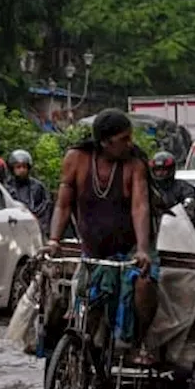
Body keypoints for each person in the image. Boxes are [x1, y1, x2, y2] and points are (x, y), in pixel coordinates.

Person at [44, 109, 159, 366]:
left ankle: (138, 341)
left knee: (143, 284)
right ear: (105, 142)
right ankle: (79, 356)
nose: (130, 144)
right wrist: (54, 240)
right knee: (81, 304)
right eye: (124, 139)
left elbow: (140, 207)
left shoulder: (134, 164)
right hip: (93, 251)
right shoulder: (76, 159)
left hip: (130, 249)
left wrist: (142, 249)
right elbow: (63, 204)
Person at [149, 151, 195, 237]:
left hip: (182, 232)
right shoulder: (149, 188)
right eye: (157, 170)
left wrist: (187, 207)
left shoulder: (184, 187)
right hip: (155, 233)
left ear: (171, 169)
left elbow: (190, 203)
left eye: (164, 170)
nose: (160, 173)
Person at [5, 149, 53, 237]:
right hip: (14, 228)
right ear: (12, 169)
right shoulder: (6, 187)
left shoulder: (38, 187)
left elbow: (45, 206)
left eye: (24, 167)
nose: (22, 170)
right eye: (18, 167)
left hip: (35, 227)